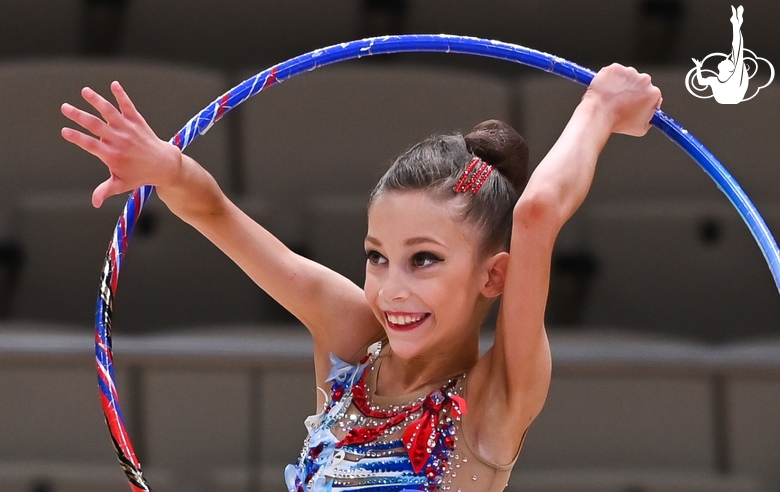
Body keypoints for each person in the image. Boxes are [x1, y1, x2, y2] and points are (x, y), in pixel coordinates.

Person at [61, 63, 661, 491]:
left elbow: (533, 216)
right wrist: (168, 167)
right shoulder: (353, 342)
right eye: (377, 256)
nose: (391, 287)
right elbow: (219, 215)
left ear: (493, 275)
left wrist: (600, 107)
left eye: (423, 260)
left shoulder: (495, 401)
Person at [692, 5, 748, 104]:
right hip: (726, 97)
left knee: (737, 51)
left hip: (732, 96)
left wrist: (736, 26)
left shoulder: (734, 79)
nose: (725, 59)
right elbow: (701, 82)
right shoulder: (714, 80)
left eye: (728, 61)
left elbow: (737, 48)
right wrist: (698, 67)